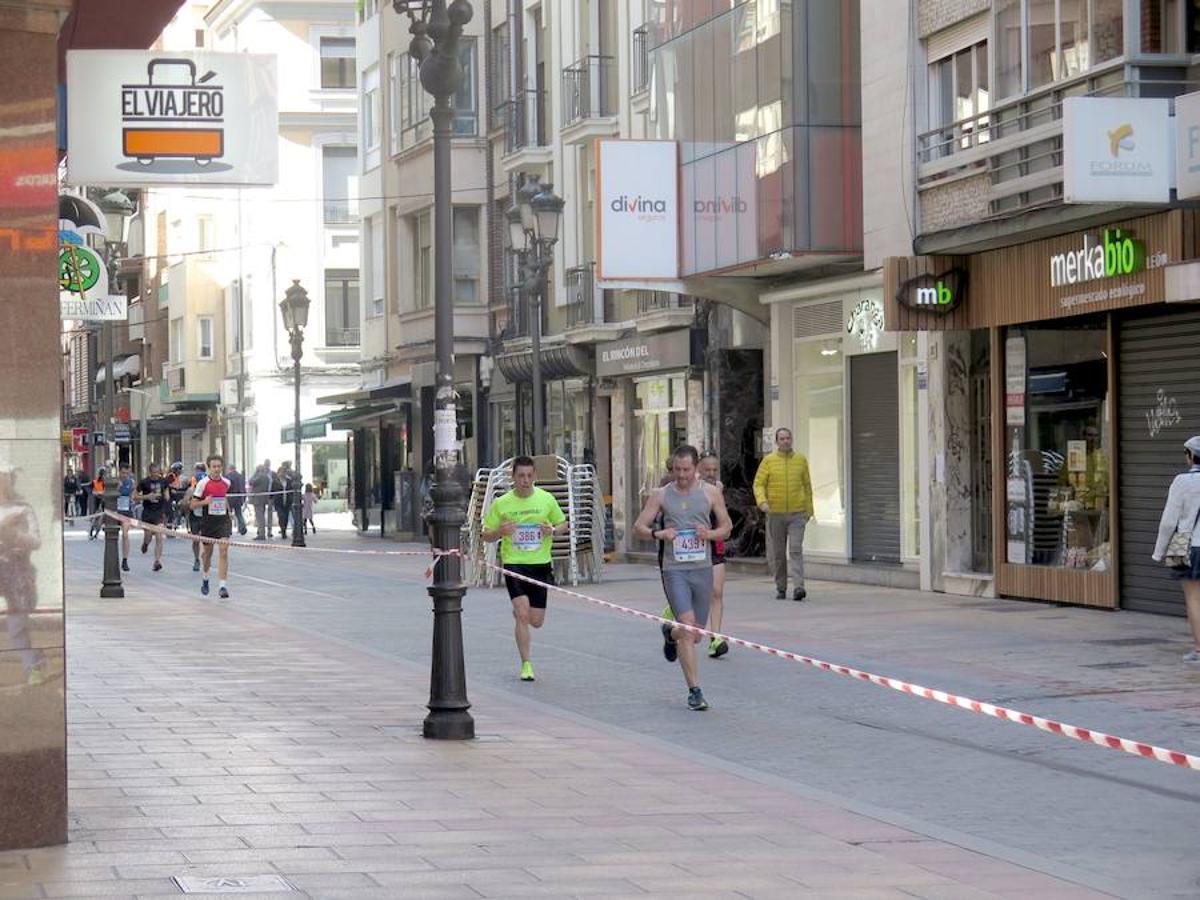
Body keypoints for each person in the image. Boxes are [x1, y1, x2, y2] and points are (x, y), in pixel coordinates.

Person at [634, 445, 732, 711]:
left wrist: (709, 535)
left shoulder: (711, 493)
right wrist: (659, 534)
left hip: (702, 567)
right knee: (689, 627)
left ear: (696, 468)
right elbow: (639, 527)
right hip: (673, 569)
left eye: (686, 470)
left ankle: (670, 633)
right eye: (677, 470)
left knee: (695, 634)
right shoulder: (661, 495)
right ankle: (695, 691)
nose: (681, 475)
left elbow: (726, 527)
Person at [481, 455, 568, 682]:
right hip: (514, 564)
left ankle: (522, 614)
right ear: (513, 477)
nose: (525, 480)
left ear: (535, 477)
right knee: (522, 615)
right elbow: (486, 534)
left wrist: (553, 530)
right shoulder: (502, 503)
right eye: (521, 476)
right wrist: (500, 531)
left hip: (540, 565)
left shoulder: (546, 499)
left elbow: (563, 523)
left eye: (530, 476)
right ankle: (526, 664)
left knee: (536, 621)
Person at [1151, 435, 1200, 663]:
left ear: (1190, 456)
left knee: (1194, 598)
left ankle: (1199, 650)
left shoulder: (1182, 481)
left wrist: (1159, 552)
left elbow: (1169, 521)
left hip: (1191, 547)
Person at [753, 427, 814, 601]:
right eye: (782, 439)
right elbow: (758, 484)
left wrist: (809, 510)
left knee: (795, 549)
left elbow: (807, 486)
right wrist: (762, 502)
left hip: (797, 513)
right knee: (779, 553)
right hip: (775, 513)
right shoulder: (768, 461)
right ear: (777, 442)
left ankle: (799, 587)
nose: (785, 441)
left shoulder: (801, 460)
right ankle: (781, 587)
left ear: (792, 439)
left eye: (788, 438)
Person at [0, 464, 46, 686]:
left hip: (17, 569)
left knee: (16, 625)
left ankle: (31, 665)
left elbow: (35, 541)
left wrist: (15, 533)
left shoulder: (22, 508)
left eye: (4, 479)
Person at [698, 452, 729, 659]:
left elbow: (724, 521)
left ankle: (715, 638)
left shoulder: (717, 490)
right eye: (707, 470)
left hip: (714, 544)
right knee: (697, 593)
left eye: (714, 470)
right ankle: (672, 612)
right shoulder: (690, 489)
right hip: (694, 547)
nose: (711, 474)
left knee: (716, 592)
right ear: (698, 469)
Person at [193, 454, 233, 599]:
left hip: (223, 521)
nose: (217, 469)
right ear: (209, 468)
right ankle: (205, 578)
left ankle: (223, 586)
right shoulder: (203, 484)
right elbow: (192, 504)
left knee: (223, 551)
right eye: (214, 467)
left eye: (219, 466)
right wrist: (205, 502)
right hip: (208, 523)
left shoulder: (227, 482)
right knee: (207, 555)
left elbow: (224, 497)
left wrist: (229, 511)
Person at [134, 462, 169, 572]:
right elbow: (134, 496)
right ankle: (145, 543)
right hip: (148, 512)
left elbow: (167, 493)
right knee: (148, 536)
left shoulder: (163, 481)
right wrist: (146, 497)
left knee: (159, 536)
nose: (155, 475)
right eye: (153, 473)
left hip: (159, 512)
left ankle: (157, 561)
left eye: (157, 473)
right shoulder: (144, 482)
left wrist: (167, 496)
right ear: (150, 472)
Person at [116, 465, 136, 572]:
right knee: (112, 535)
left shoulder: (131, 482)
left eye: (126, 473)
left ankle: (125, 560)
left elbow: (133, 495)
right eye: (123, 473)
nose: (124, 475)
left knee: (125, 534)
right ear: (119, 472)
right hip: (115, 511)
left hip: (126, 511)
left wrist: (133, 499)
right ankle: (114, 558)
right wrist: (117, 487)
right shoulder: (115, 481)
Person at [187, 461, 206, 572]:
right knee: (196, 539)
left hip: (203, 515)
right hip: (195, 515)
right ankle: (197, 559)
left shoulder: (207, 479)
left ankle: (200, 558)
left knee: (202, 539)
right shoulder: (194, 480)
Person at [250, 461, 274, 540]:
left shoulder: (260, 476)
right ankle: (261, 532)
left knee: (260, 517)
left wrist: (255, 473)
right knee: (261, 516)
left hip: (258, 499)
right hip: (264, 498)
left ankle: (261, 534)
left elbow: (251, 481)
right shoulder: (266, 476)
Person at [227, 463, 248, 536]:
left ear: (230, 469)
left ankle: (229, 530)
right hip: (239, 498)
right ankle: (242, 528)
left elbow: (227, 488)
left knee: (228, 514)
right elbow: (243, 488)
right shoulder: (240, 476)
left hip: (230, 497)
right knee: (239, 514)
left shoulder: (228, 476)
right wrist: (244, 498)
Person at [275, 461, 293, 539]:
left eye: (284, 472)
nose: (282, 474)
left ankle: (284, 529)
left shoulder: (289, 481)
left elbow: (291, 490)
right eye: (281, 472)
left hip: (287, 502)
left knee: (286, 517)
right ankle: (282, 530)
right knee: (281, 516)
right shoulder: (275, 481)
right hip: (279, 502)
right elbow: (273, 491)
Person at [88, 469, 106, 540]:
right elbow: (90, 490)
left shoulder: (107, 483)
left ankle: (96, 534)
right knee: (96, 518)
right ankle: (91, 532)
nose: (105, 476)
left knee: (101, 520)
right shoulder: (95, 482)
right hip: (98, 502)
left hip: (105, 503)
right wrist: (95, 493)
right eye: (104, 475)